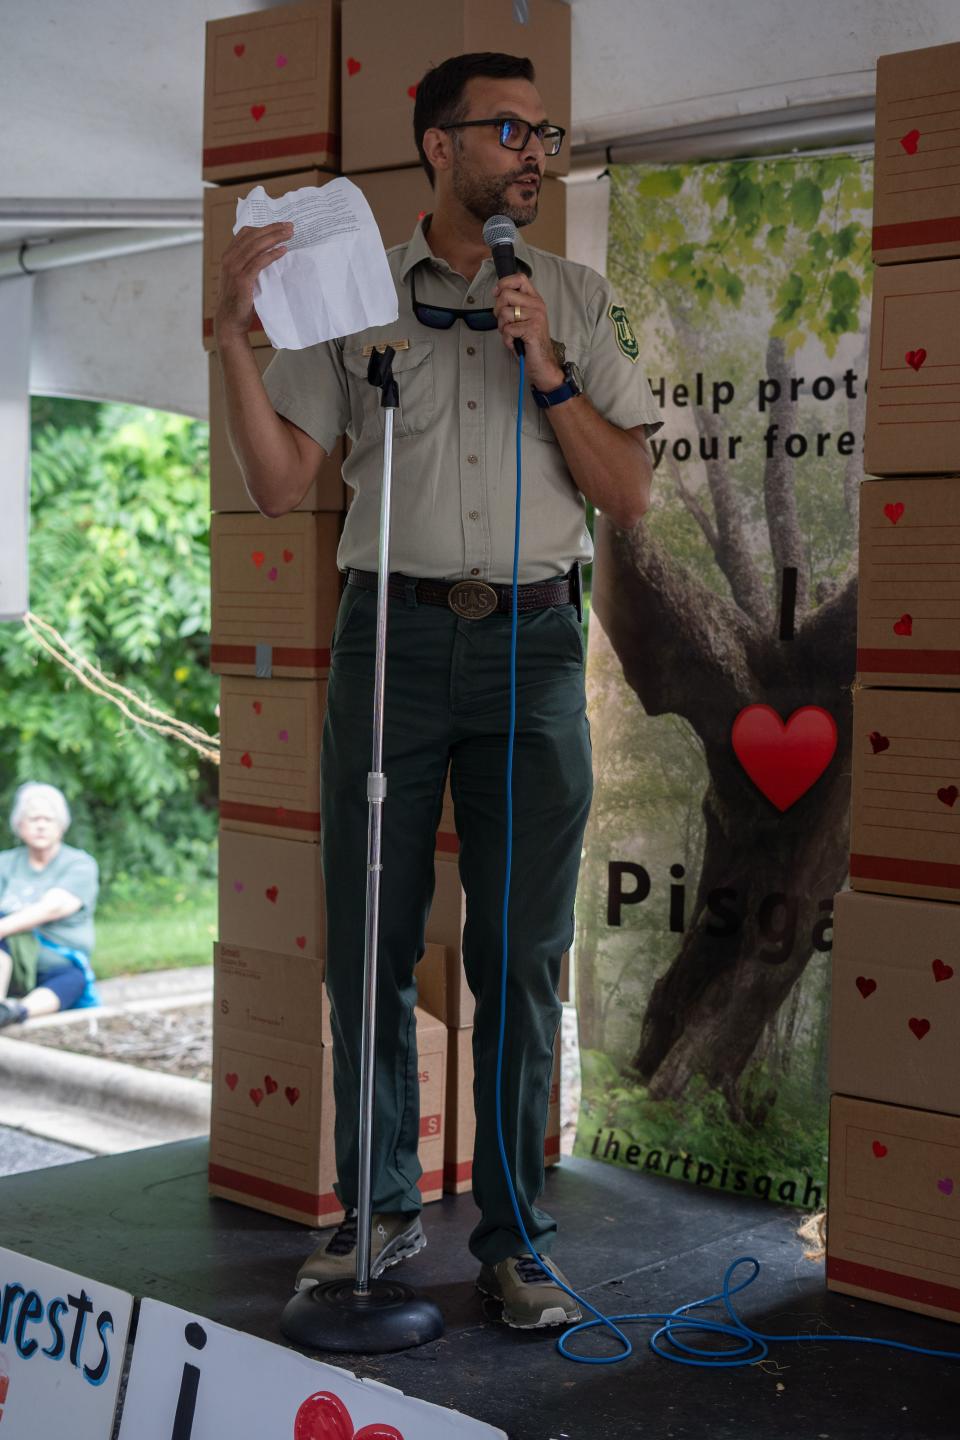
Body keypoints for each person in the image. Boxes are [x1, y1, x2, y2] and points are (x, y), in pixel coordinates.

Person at [215, 51, 661, 1330]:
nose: (535, 150)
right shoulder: (355, 299)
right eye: (509, 129)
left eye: (547, 131)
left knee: (520, 958)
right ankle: (380, 1214)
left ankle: (517, 1241)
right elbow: (280, 482)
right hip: (392, 645)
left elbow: (629, 495)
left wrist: (551, 371)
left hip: (530, 648)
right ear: (438, 145)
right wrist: (230, 339)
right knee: (370, 944)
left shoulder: (571, 296)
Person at [0, 782, 100, 1028]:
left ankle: (15, 1012)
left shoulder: (80, 864)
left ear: (61, 826)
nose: (41, 825)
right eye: (33, 819)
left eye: (48, 819)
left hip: (57, 965)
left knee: (73, 980)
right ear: (20, 826)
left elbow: (53, 906)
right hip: (11, 963)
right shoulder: (6, 863)